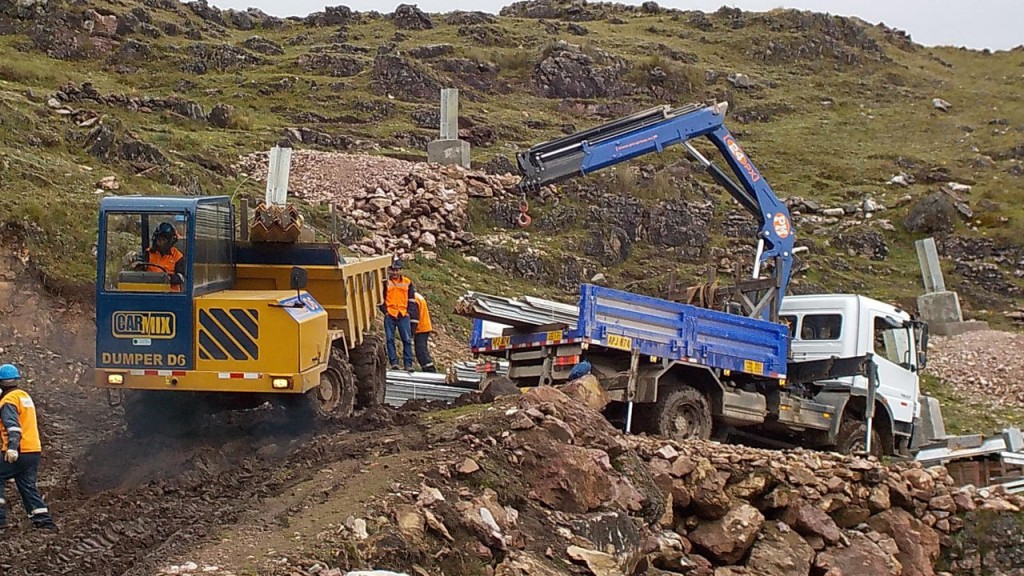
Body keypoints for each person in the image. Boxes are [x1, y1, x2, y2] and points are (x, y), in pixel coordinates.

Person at [0, 363, 57, 531]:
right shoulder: (23, 396)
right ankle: (44, 521)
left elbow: (13, 427)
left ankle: (0, 519)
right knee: (27, 485)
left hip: (18, 450)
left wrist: (12, 447)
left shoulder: (8, 401)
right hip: (33, 450)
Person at [379, 260, 417, 371]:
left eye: (397, 270)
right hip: (390, 314)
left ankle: (408, 364)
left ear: (401, 270)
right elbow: (381, 298)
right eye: (393, 270)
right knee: (390, 339)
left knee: (407, 339)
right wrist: (385, 311)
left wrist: (409, 312)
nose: (395, 272)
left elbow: (411, 299)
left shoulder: (407, 282)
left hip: (403, 314)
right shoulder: (386, 283)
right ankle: (394, 363)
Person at [141, 221, 185, 291]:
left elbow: (182, 277)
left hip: (172, 296)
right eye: (158, 239)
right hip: (150, 293)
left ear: (171, 241)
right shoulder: (148, 253)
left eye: (163, 240)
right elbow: (140, 272)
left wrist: (167, 278)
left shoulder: (178, 256)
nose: (160, 243)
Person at [411, 292, 436, 372]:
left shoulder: (414, 299)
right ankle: (428, 368)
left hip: (421, 328)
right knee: (421, 349)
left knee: (421, 351)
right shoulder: (417, 296)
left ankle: (429, 369)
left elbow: (414, 318)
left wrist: (411, 332)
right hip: (424, 326)